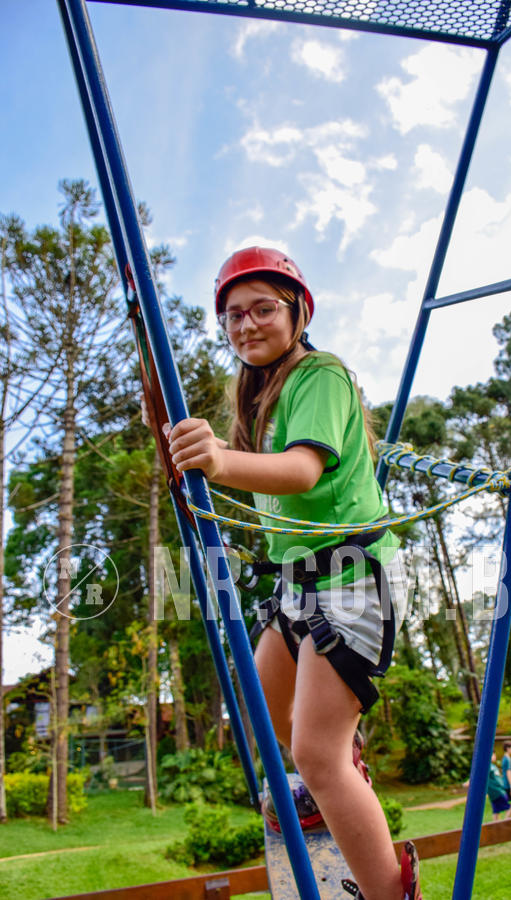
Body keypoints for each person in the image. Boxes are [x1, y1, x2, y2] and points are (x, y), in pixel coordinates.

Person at [163, 246, 421, 900]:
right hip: (297, 585)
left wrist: (217, 460)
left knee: (314, 754)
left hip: (350, 579)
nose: (246, 324)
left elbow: (303, 471)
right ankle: (339, 778)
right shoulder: (260, 397)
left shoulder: (319, 375)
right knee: (262, 703)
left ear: (298, 312)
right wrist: (184, 439)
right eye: (233, 315)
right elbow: (254, 469)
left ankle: (391, 892)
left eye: (262, 309)